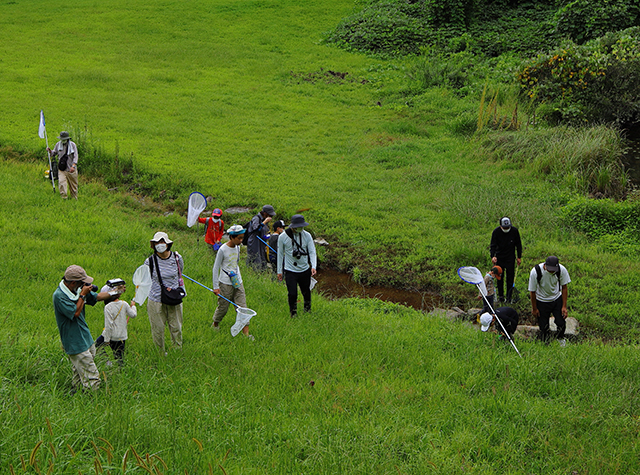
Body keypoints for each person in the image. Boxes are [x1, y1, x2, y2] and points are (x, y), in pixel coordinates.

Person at [53, 265, 112, 391]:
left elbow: (97, 297)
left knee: (79, 371)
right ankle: (93, 399)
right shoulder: (60, 295)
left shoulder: (77, 290)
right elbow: (75, 313)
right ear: (74, 282)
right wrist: (82, 295)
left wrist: (115, 292)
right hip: (73, 340)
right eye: (82, 282)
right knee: (91, 375)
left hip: (85, 337)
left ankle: (77, 392)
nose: (85, 285)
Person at [144, 232, 185, 353]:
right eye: (157, 242)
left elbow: (179, 273)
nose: (160, 245)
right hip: (156, 298)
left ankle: (177, 350)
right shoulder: (149, 261)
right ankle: (160, 353)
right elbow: (146, 279)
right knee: (158, 328)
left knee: (176, 326)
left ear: (168, 244)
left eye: (162, 242)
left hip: (174, 297)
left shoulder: (177, 258)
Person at [212, 225, 253, 339]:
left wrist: (237, 278)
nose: (241, 241)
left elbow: (236, 264)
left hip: (237, 281)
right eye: (239, 238)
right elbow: (216, 268)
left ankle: (246, 334)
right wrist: (216, 286)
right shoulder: (222, 250)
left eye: (242, 238)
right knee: (223, 307)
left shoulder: (238, 248)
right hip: (225, 283)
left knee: (242, 307)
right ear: (231, 237)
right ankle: (215, 323)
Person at [277, 214, 317, 318]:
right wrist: (279, 271)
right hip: (290, 270)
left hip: (304, 270)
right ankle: (293, 314)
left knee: (306, 292)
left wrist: (313, 266)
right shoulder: (283, 237)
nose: (301, 228)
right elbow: (280, 254)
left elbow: (312, 251)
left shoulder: (307, 235)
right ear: (292, 226)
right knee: (292, 294)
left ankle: (307, 311)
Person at [528, 255, 571, 345]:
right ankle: (545, 343)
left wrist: (564, 306)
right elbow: (532, 291)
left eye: (553, 269)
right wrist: (534, 308)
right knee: (543, 326)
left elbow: (564, 287)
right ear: (545, 266)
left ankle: (560, 339)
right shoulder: (535, 272)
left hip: (556, 299)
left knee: (561, 322)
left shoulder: (561, 270)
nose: (551, 271)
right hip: (541, 301)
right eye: (549, 269)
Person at [94, 278, 137, 366]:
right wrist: (133, 306)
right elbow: (133, 315)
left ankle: (106, 362)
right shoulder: (124, 303)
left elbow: (109, 324)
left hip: (110, 335)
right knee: (119, 357)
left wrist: (106, 339)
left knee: (97, 346)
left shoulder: (108, 307)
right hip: (122, 336)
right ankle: (121, 372)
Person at [489, 216, 522, 303]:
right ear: (501, 226)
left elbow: (518, 244)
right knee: (500, 277)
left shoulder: (514, 231)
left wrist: (519, 256)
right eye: (504, 227)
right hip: (499, 257)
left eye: (508, 227)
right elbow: (493, 245)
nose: (506, 229)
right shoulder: (496, 232)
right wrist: (492, 256)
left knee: (510, 278)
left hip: (510, 257)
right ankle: (501, 297)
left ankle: (509, 297)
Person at [47, 131, 79, 200]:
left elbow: (75, 156)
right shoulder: (58, 144)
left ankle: (74, 198)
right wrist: (50, 151)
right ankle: (64, 198)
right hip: (62, 169)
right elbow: (54, 153)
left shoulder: (73, 145)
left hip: (71, 169)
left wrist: (73, 166)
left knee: (73, 186)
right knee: (61, 183)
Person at [246, 204, 275, 271]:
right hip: (254, 241)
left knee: (263, 257)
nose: (270, 217)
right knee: (255, 257)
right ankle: (253, 272)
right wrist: (264, 222)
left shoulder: (265, 219)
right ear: (264, 213)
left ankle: (262, 271)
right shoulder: (256, 218)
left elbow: (265, 231)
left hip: (262, 241)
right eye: (269, 215)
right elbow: (256, 229)